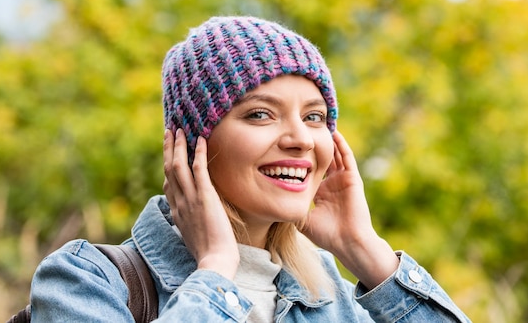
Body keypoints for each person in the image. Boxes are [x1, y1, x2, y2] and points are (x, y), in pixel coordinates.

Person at [29, 16, 471, 322]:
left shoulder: (325, 293)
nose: (300, 138)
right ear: (190, 143)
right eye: (260, 114)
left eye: (314, 117)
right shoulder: (85, 280)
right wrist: (217, 270)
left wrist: (365, 252)